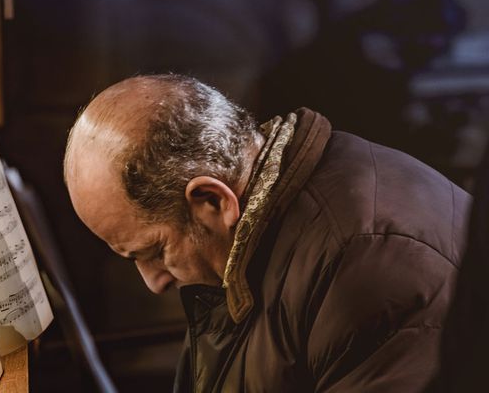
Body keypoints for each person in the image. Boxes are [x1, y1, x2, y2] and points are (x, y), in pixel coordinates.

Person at [63, 74, 471, 392]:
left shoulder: (371, 270)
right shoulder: (256, 228)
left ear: (212, 200)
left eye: (153, 251)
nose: (153, 282)